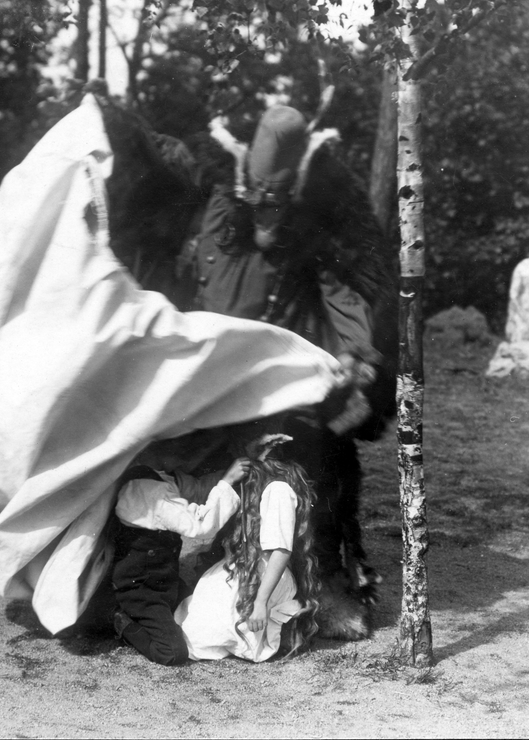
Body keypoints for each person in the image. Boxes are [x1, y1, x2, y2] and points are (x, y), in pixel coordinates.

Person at [178, 104, 388, 637]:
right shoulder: (222, 215)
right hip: (216, 372)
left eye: (276, 207)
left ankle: (326, 586)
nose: (266, 218)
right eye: (258, 207)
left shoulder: (311, 230)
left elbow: (340, 287)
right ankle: (203, 576)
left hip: (286, 371)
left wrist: (356, 349)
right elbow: (206, 288)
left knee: (313, 466)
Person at [174, 435, 321, 662]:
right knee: (194, 625)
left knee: (199, 639)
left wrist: (260, 602)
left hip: (267, 577)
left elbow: (281, 551)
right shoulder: (259, 486)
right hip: (249, 568)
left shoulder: (278, 490)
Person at [110, 458, 249, 665]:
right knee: (172, 652)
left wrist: (234, 468)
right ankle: (120, 619)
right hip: (141, 590)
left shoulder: (160, 475)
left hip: (166, 582)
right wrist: (227, 481)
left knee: (207, 616)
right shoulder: (146, 488)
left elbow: (197, 488)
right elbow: (199, 526)